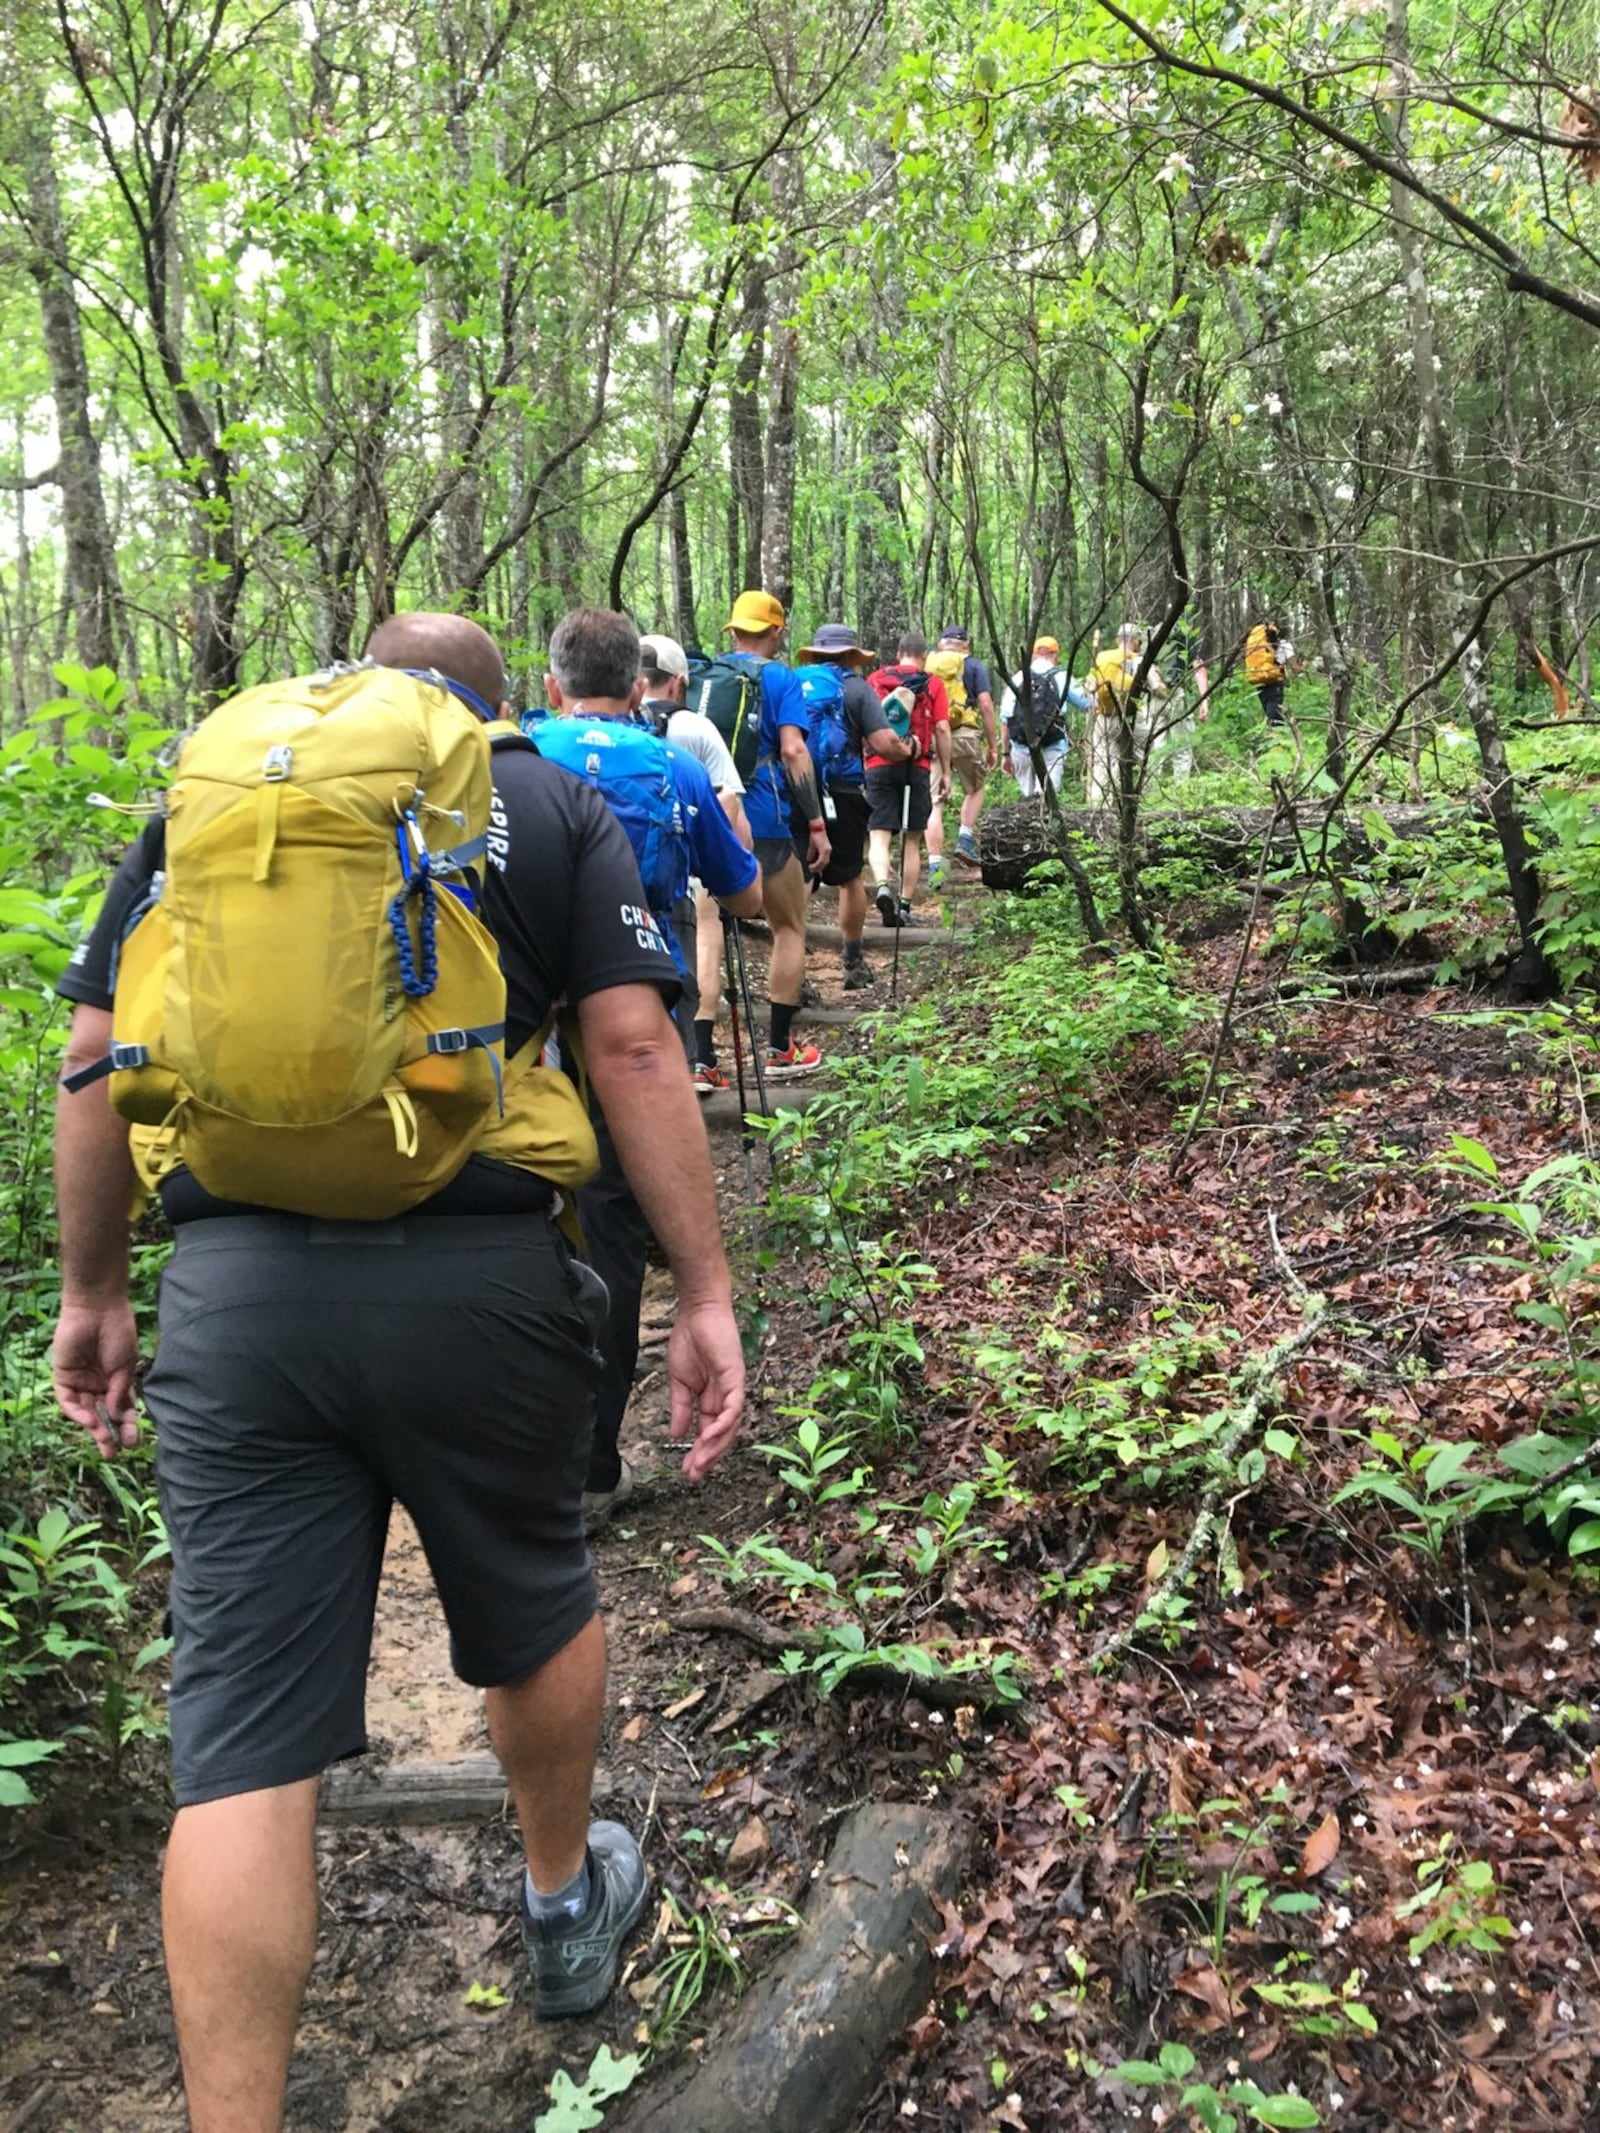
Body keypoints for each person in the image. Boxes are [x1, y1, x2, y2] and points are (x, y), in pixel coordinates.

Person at [51, 611, 746, 2133]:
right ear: (499, 708)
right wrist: (703, 1289)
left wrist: (93, 1292)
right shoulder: (542, 796)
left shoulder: (228, 792)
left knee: (238, 1733)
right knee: (533, 1584)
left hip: (235, 1294)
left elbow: (99, 1051)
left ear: (358, 675)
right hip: (479, 1276)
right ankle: (564, 1909)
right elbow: (631, 1049)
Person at [539, 607, 763, 1529]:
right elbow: (744, 886)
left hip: (518, 1027)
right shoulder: (670, 761)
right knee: (613, 1232)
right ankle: (590, 1467)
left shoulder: (507, 756)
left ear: (552, 685)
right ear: (640, 687)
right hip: (637, 1016)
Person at [718, 589, 829, 1078]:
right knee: (789, 926)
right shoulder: (781, 678)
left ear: (735, 630)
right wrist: (817, 823)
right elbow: (793, 752)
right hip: (762, 814)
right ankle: (781, 1048)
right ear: (777, 632)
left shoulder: (707, 676)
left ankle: (701, 1059)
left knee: (705, 931)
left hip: (708, 814)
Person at [638, 631, 753, 1094]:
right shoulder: (695, 727)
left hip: (621, 873)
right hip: (687, 864)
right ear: (678, 681)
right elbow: (730, 802)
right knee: (703, 944)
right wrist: (730, 863)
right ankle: (698, 1059)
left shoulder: (616, 722)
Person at [793, 621, 912, 989]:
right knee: (848, 878)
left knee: (800, 879)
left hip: (797, 790)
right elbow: (884, 744)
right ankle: (852, 961)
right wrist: (908, 749)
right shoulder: (858, 689)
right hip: (843, 792)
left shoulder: (791, 684)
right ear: (850, 656)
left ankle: (794, 972)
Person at [864, 633, 952, 926]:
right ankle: (903, 907)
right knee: (912, 839)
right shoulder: (933, 684)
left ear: (898, 652)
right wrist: (947, 771)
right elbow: (941, 728)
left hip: (878, 762)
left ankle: (882, 886)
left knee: (879, 835)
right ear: (924, 655)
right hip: (918, 765)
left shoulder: (876, 679)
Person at [924, 624, 998, 871]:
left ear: (940, 643)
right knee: (975, 787)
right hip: (964, 734)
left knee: (935, 803)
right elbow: (985, 705)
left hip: (934, 736)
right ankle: (965, 839)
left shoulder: (928, 665)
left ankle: (936, 867)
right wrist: (993, 746)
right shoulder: (974, 665)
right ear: (966, 644)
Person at [1088, 623, 1167, 807]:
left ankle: (1099, 807)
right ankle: (1151, 802)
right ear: (1135, 642)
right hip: (1131, 719)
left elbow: (1089, 688)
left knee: (1104, 763)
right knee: (1148, 756)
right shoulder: (1140, 661)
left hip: (1104, 718)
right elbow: (1158, 690)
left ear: (1118, 640)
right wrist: (1164, 684)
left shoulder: (1102, 659)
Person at [1000, 637, 1078, 798]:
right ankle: (1045, 817)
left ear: (1033, 655)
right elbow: (1087, 703)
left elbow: (1006, 718)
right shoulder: (1062, 677)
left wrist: (1006, 754)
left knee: (1028, 797)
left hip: (1022, 745)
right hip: (1053, 744)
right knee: (1046, 797)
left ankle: (1029, 816)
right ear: (1055, 655)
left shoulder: (1017, 678)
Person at [1244, 618, 1294, 726]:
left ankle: (1271, 738)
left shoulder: (1265, 644)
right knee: (1275, 719)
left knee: (1269, 713)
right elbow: (1295, 667)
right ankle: (1274, 739)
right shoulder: (1286, 645)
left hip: (1260, 681)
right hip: (1275, 682)